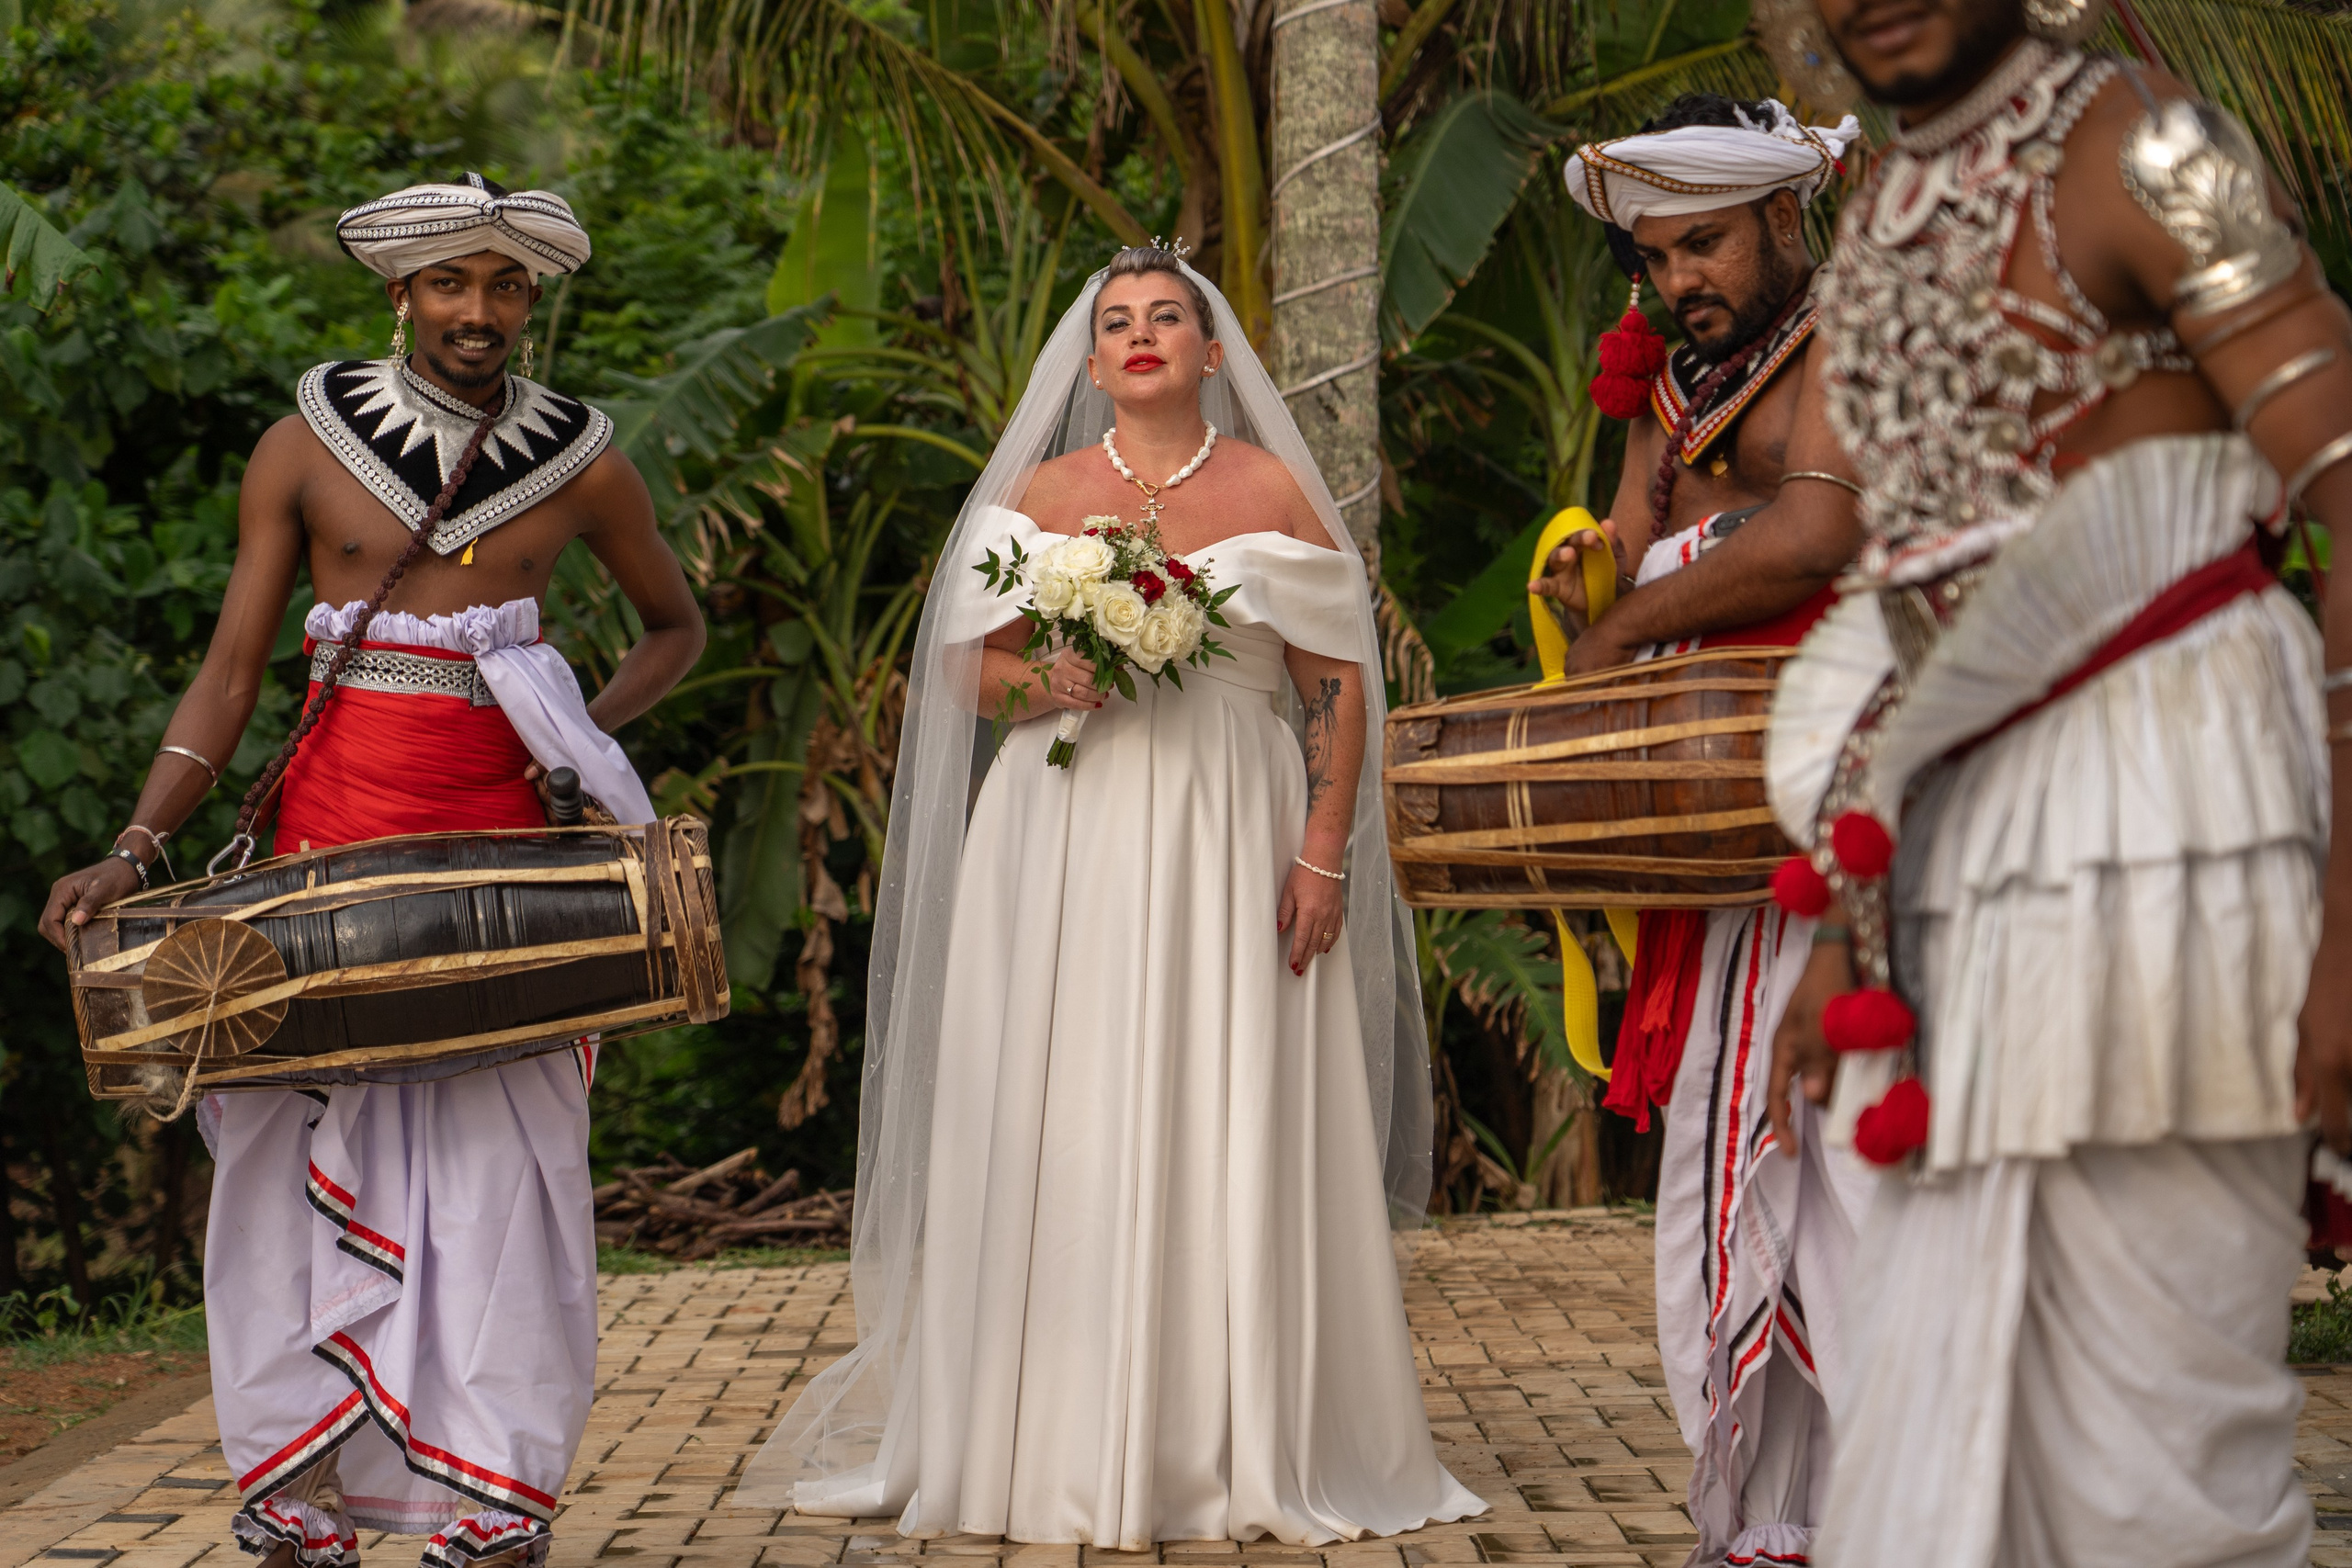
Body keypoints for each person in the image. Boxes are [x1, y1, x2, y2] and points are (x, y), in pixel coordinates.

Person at [1573, 0, 2352, 1558]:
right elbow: (1910, 605)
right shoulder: (1892, 234)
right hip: (1955, 870)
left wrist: (2344, 931)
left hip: (2181, 814)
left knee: (2155, 1434)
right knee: (1936, 1395)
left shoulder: (2151, 145)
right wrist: (1855, 924)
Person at [730, 244, 1485, 1547]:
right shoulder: (1040, 491)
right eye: (1117, 322)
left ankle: (1232, 1435)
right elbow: (969, 672)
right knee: (1061, 1106)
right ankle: (1052, 1434)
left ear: (1209, 352)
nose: (1142, 337)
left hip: (1231, 825)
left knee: (1227, 1088)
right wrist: (1047, 685)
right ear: (1090, 363)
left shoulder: (1272, 490)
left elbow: (1330, 680)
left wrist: (1321, 849)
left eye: (1168, 318)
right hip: (1062, 834)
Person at [38, 173, 705, 1568]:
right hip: (318, 870)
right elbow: (231, 675)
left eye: (508, 286)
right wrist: (136, 846)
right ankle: (296, 1492)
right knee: (289, 1171)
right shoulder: (301, 446)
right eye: (452, 283)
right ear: (400, 294)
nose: (481, 310)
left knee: (500, 1185)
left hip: (501, 879)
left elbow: (672, 630)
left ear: (532, 301)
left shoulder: (582, 457)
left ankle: (497, 1500)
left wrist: (572, 748)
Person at [1528, 94, 1872, 1568]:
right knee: (1739, 1159)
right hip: (1712, 826)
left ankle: (1905, 1505)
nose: (1681, 282)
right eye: (1658, 257)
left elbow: (1818, 535)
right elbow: (1626, 537)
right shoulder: (1684, 382)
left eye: (1708, 244)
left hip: (1845, 817)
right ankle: (1784, 1520)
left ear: (1789, 217)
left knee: (1850, 1162)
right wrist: (1584, 587)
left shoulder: (1854, 338)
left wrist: (1628, 637)